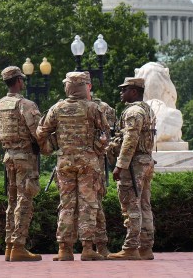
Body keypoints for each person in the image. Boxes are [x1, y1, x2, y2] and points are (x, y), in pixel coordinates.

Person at [36, 72, 109, 261]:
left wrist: (50, 147)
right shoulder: (93, 108)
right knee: (88, 203)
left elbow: (40, 131)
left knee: (66, 204)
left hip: (64, 162)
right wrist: (97, 148)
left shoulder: (57, 108)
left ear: (68, 87)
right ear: (85, 87)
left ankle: (64, 249)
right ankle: (87, 248)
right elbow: (105, 135)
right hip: (88, 162)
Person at [0, 66, 42, 262]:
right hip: (25, 158)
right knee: (24, 200)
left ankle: (9, 245)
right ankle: (19, 246)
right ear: (19, 81)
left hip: (8, 157)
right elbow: (38, 132)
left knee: (12, 201)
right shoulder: (25, 104)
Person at [107, 77, 156, 260]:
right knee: (144, 205)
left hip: (134, 164)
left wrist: (120, 165)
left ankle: (130, 248)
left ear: (134, 92)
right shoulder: (147, 110)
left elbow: (130, 140)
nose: (121, 93)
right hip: (146, 161)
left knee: (131, 205)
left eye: (124, 89)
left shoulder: (134, 111)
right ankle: (146, 247)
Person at [86, 74, 116, 258]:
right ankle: (66, 247)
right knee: (68, 206)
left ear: (88, 86)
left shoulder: (104, 108)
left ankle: (101, 246)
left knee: (95, 206)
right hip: (72, 165)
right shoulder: (64, 107)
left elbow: (108, 139)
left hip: (95, 164)